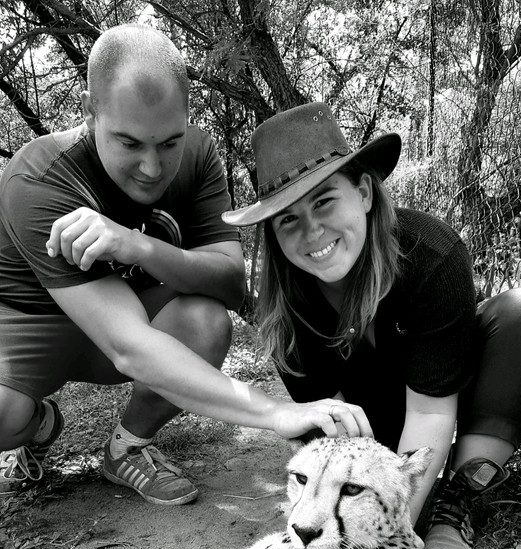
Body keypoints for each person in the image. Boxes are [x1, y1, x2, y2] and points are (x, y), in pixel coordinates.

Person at [0, 30, 372, 506]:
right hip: (31, 325)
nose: (153, 168)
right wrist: (276, 413)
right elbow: (129, 346)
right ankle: (41, 422)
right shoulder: (40, 178)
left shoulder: (199, 154)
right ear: (91, 109)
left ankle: (127, 447)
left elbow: (229, 279)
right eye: (129, 143)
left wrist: (137, 246)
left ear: (187, 117)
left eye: (169, 143)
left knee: (204, 318)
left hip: (123, 312)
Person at [222, 102, 521, 549]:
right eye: (288, 219)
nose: (312, 232)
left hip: (446, 398)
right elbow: (331, 428)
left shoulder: (433, 253)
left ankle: (459, 498)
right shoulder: (282, 304)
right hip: (372, 437)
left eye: (324, 201)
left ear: (363, 192)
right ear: (274, 234)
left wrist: (389, 544)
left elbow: (431, 410)